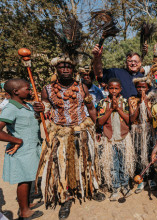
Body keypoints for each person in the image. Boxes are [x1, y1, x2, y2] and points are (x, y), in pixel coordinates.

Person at [33, 56, 105, 219]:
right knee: (62, 166)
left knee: (86, 162)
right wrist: (39, 109)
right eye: (61, 67)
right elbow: (44, 109)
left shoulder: (82, 87)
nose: (65, 69)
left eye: (68, 67)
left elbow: (90, 108)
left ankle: (91, 189)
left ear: (73, 70)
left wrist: (97, 127)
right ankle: (65, 198)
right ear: (56, 69)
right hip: (60, 133)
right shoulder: (47, 89)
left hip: (81, 131)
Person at [0, 79, 43, 220]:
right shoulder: (11, 109)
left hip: (31, 148)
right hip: (22, 150)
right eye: (27, 89)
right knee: (23, 180)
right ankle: (24, 211)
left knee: (29, 177)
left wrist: (39, 113)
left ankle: (27, 204)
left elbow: (33, 121)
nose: (30, 91)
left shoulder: (26, 106)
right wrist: (16, 140)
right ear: (16, 91)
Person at [96, 78, 135, 201]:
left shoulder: (125, 102)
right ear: (107, 89)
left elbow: (129, 120)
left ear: (120, 89)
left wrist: (118, 109)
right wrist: (110, 109)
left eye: (116, 88)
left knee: (124, 163)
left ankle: (125, 185)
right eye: (111, 88)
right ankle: (115, 188)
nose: (113, 91)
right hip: (109, 139)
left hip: (123, 138)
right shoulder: (103, 103)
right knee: (113, 165)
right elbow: (100, 122)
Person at [128, 77, 154, 193]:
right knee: (138, 155)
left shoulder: (152, 99)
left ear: (148, 88)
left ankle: (151, 178)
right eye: (139, 87)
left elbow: (151, 118)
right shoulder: (132, 100)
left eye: (143, 87)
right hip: (137, 133)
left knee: (149, 155)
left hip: (148, 132)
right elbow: (132, 118)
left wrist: (146, 104)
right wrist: (140, 105)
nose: (141, 89)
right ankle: (140, 180)